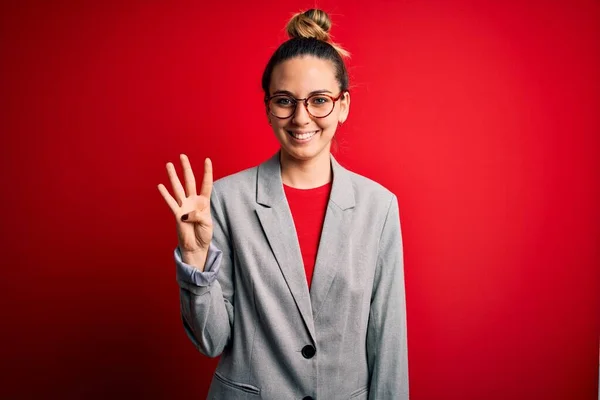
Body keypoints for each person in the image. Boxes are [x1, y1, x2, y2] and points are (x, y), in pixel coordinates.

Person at [157, 9, 409, 400]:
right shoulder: (224, 201)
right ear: (268, 106)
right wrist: (194, 258)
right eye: (285, 100)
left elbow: (388, 342)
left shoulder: (379, 207)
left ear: (342, 105)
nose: (301, 117)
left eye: (319, 100)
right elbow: (211, 340)